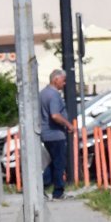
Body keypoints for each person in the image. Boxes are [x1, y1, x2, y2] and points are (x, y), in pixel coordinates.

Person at [39, 69, 75, 200]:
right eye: (63, 80)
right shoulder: (53, 95)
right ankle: (57, 192)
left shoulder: (43, 93)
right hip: (55, 134)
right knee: (59, 163)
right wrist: (68, 124)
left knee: (52, 163)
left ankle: (41, 187)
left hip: (46, 133)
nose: (64, 83)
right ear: (55, 80)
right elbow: (55, 115)